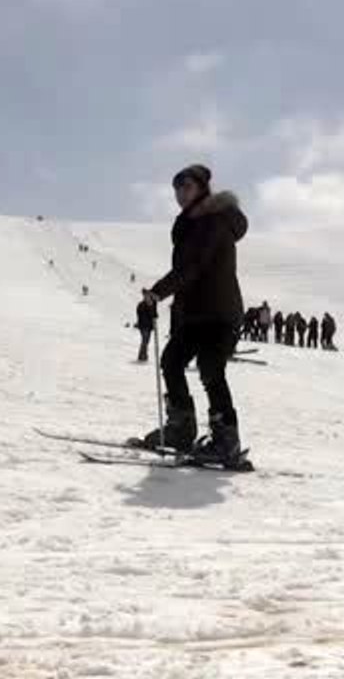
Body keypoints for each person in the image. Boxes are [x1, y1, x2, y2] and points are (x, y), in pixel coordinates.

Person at [135, 164, 249, 468]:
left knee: (211, 367)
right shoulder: (189, 223)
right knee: (171, 361)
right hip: (196, 313)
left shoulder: (212, 221)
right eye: (176, 188)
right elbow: (190, 272)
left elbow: (194, 267)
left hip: (220, 311)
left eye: (186, 186)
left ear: (201, 188)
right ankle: (181, 430)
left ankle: (227, 441)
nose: (180, 193)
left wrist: (159, 290)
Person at [135, 291, 157, 362]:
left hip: (148, 326)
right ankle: (142, 356)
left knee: (146, 341)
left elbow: (154, 314)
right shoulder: (142, 305)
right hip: (144, 325)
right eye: (146, 297)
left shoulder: (151, 304)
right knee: (145, 340)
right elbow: (140, 314)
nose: (147, 298)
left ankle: (143, 355)